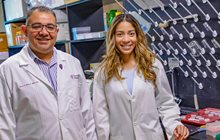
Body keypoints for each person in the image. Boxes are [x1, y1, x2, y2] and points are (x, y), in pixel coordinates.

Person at [0, 6, 97, 140]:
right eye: (36, 26)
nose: (44, 32)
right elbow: (4, 125)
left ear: (56, 31)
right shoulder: (8, 69)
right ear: (25, 31)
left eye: (50, 27)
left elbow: (87, 113)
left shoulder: (73, 63)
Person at [93, 13, 189, 140]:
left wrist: (175, 125)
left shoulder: (153, 65)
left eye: (131, 34)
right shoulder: (103, 72)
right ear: (113, 37)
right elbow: (100, 114)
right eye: (120, 34)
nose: (126, 39)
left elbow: (165, 103)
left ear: (138, 36)